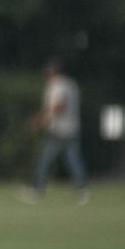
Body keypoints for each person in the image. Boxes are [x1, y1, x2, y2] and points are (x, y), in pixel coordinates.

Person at [22, 58, 89, 204]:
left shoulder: (57, 85)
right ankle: (82, 190)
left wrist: (39, 120)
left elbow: (58, 107)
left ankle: (36, 189)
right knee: (74, 160)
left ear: (54, 72)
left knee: (45, 159)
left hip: (59, 130)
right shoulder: (72, 84)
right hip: (73, 128)